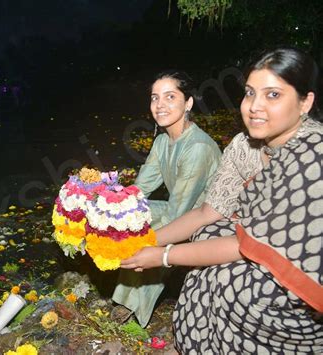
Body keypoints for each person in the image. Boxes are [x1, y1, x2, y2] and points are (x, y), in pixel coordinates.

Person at [121, 47, 323, 353]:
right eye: (250, 93)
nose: (255, 106)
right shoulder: (243, 146)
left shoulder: (311, 153)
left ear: (305, 102)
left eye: (273, 95)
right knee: (204, 239)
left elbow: (248, 242)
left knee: (227, 280)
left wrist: (161, 254)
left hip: (302, 276)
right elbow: (207, 211)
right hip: (252, 242)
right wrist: (146, 241)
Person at [112, 70, 222, 327]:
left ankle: (134, 310)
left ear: (188, 103)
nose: (159, 105)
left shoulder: (197, 147)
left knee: (149, 229)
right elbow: (141, 189)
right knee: (127, 216)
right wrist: (108, 209)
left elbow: (180, 212)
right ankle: (123, 297)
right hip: (179, 208)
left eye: (170, 97)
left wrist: (143, 237)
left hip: (206, 221)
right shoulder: (162, 141)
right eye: (154, 98)